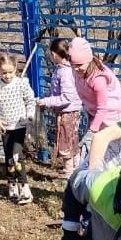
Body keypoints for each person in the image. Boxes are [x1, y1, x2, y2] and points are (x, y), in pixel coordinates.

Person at [0, 53, 37, 204]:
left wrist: (29, 117)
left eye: (10, 72)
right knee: (9, 157)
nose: (7, 76)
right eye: (4, 73)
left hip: (20, 125)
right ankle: (12, 184)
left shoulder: (21, 83)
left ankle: (25, 187)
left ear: (15, 69)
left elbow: (30, 101)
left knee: (17, 155)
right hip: (5, 127)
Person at [36, 37, 84, 177]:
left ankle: (69, 171)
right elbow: (57, 92)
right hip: (71, 110)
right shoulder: (66, 69)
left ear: (55, 54)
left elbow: (66, 97)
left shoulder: (64, 72)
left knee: (66, 141)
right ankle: (77, 168)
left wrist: (47, 102)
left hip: (67, 112)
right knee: (72, 140)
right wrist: (46, 97)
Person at [68, 36, 121, 137]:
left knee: (105, 145)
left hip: (113, 116)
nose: (76, 68)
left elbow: (102, 108)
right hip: (95, 112)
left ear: (88, 60)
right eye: (73, 65)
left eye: (79, 65)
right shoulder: (78, 73)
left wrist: (92, 130)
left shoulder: (98, 79)